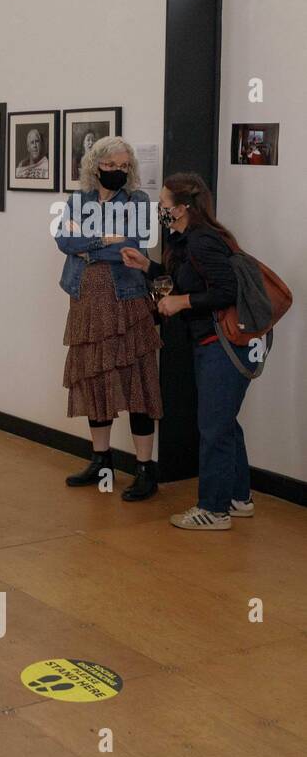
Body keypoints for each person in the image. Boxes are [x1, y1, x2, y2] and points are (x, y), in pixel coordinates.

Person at [122, 173, 253, 530]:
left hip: (222, 344)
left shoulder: (202, 242)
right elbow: (190, 278)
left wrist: (181, 302)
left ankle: (214, 509)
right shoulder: (186, 240)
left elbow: (225, 290)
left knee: (213, 426)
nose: (159, 210)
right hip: (213, 342)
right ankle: (239, 496)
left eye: (163, 205)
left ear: (181, 208)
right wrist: (147, 267)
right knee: (224, 421)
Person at [56, 136, 161, 500]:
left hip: (127, 302)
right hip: (85, 302)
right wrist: (104, 241)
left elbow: (133, 245)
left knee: (137, 384)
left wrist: (91, 242)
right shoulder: (79, 200)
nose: (118, 172)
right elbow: (63, 240)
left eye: (123, 167)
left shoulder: (138, 201)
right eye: (111, 166)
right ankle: (101, 460)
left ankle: (146, 469)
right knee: (94, 379)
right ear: (94, 166)